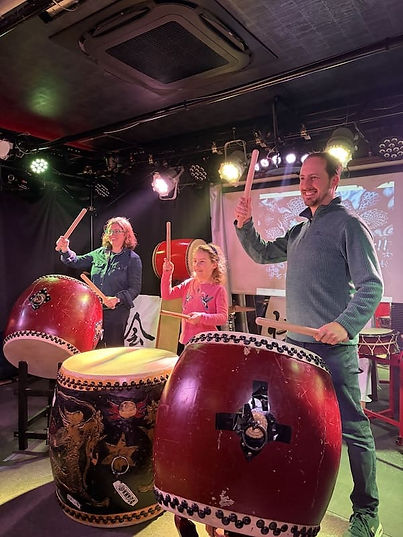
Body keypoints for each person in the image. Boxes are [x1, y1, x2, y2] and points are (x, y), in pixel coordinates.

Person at [234, 152, 384, 537]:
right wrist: (245, 224)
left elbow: (372, 286)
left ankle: (368, 512)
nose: (306, 185)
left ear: (335, 182)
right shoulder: (299, 229)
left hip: (333, 350)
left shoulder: (349, 225)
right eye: (302, 178)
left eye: (315, 178)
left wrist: (345, 324)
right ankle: (300, 501)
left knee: (353, 430)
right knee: (298, 427)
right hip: (298, 351)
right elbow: (263, 253)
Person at [55, 216, 142, 347]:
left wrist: (117, 299)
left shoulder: (132, 259)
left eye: (117, 231)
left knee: (113, 349)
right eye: (110, 231)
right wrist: (65, 249)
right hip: (95, 310)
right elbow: (75, 261)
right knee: (94, 347)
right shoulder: (99, 253)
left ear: (126, 234)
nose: (112, 234)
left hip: (116, 312)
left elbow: (135, 289)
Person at [161, 243, 228, 350]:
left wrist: (201, 317)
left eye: (202, 261)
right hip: (188, 341)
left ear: (214, 264)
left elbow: (223, 317)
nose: (196, 265)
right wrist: (167, 273)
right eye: (195, 261)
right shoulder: (189, 283)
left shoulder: (219, 289)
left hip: (207, 341)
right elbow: (167, 295)